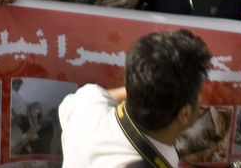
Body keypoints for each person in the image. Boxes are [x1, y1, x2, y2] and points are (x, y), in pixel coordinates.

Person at [59, 29, 212, 166]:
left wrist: (145, 86)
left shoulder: (86, 106)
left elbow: (87, 99)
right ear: (184, 114)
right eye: (198, 92)